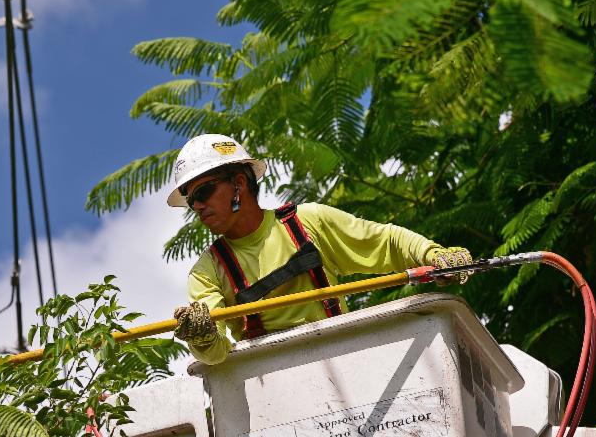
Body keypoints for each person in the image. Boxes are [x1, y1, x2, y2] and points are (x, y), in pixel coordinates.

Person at [169, 134, 472, 364]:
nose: (197, 206)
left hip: (344, 360)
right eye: (190, 200)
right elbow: (216, 353)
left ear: (239, 183)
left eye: (204, 192)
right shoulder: (208, 271)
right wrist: (202, 335)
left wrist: (433, 255)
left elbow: (386, 242)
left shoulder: (306, 222)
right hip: (272, 384)